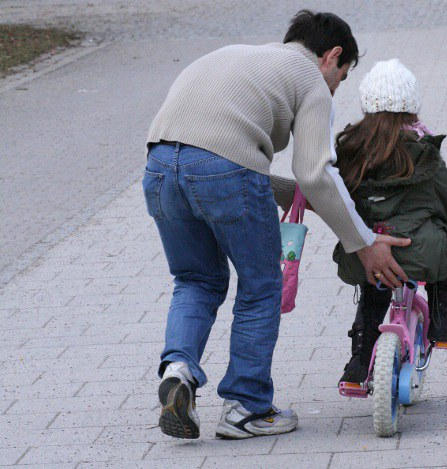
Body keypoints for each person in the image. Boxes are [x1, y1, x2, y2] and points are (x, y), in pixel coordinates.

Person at [142, 11, 411, 440]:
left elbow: (221, 166)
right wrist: (364, 241)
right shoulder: (309, 81)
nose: (335, 87)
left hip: (159, 166)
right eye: (341, 78)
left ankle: (178, 373)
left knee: (195, 279)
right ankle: (246, 408)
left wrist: (329, 208)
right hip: (222, 170)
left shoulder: (239, 56)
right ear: (332, 56)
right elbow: (314, 174)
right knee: (261, 284)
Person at [332, 59, 447, 385]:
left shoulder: (351, 148)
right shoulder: (420, 149)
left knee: (373, 291)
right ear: (411, 107)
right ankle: (442, 320)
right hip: (419, 250)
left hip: (367, 250)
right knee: (443, 244)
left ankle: (359, 359)